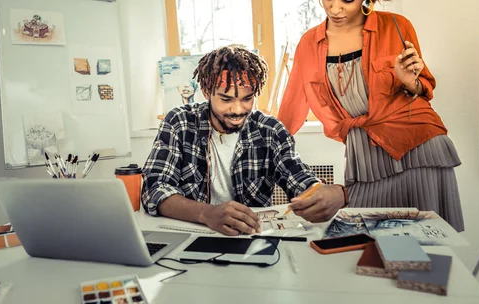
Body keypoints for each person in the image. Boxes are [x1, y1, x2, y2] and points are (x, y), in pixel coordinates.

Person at [277, 0, 464, 232]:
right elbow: (290, 108)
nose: (335, 8)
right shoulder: (309, 43)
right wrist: (264, 149)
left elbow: (423, 90)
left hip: (419, 148)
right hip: (364, 156)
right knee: (372, 247)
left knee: (428, 250)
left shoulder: (397, 27)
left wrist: (409, 81)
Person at [142, 44, 348, 235]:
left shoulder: (270, 130)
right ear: (206, 92)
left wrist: (329, 194)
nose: (238, 110)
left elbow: (299, 179)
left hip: (251, 239)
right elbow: (155, 189)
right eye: (226, 99)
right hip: (192, 235)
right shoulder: (179, 122)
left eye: (247, 98)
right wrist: (207, 214)